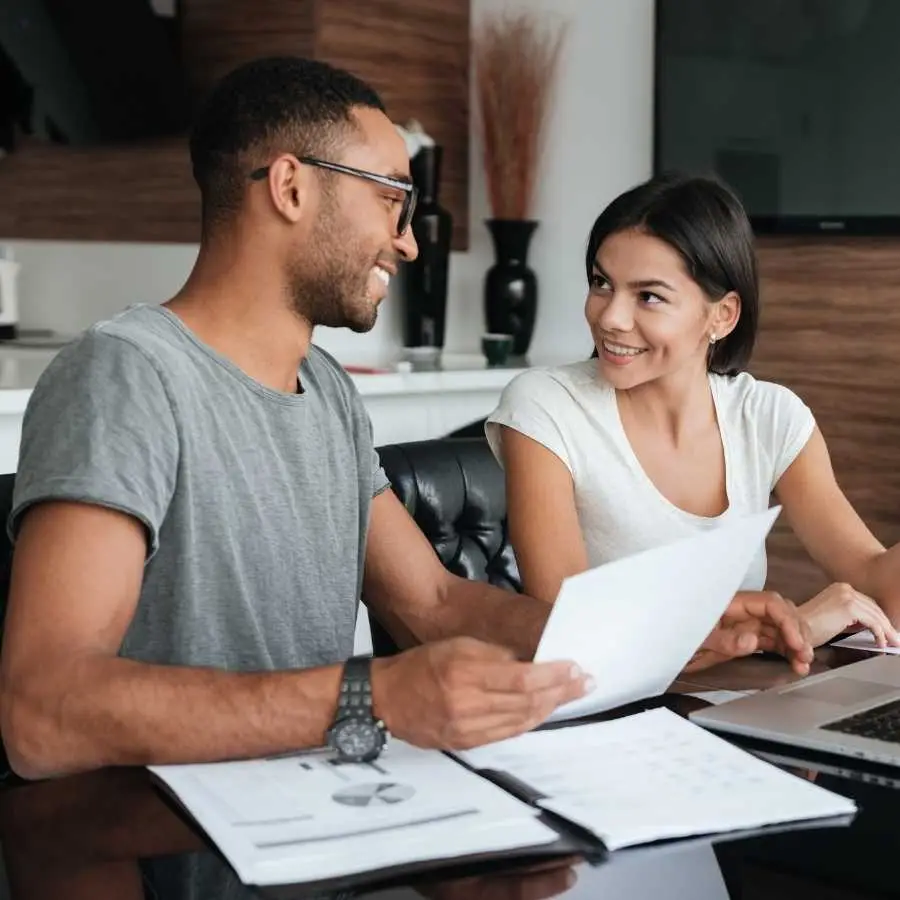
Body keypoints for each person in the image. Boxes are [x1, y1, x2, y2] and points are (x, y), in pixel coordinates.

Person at [0, 62, 810, 782]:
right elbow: (42, 714)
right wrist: (369, 694)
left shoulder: (324, 390)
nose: (407, 242)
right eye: (392, 200)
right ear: (291, 187)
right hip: (170, 841)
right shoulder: (126, 375)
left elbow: (435, 604)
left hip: (322, 816)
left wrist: (663, 635)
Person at [486, 172, 900, 660]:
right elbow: (568, 622)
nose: (610, 316)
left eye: (649, 296)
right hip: (604, 717)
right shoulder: (545, 407)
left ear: (721, 316)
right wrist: (790, 626)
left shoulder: (768, 417)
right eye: (601, 283)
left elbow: (871, 571)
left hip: (735, 701)